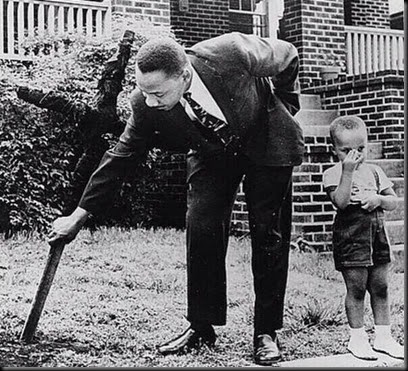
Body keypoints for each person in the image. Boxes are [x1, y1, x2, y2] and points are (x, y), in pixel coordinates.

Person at [48, 32, 304, 365]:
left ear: (183, 76)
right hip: (213, 150)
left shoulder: (229, 53)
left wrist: (284, 104)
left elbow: (287, 54)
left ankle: (265, 332)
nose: (151, 102)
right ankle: (201, 326)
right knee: (201, 228)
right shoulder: (145, 104)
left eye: (158, 93)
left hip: (266, 139)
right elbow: (121, 157)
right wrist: (78, 216)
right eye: (145, 92)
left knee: (268, 234)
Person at [323, 116, 404, 361]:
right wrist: (347, 171)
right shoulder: (333, 173)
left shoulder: (376, 171)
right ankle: (357, 339)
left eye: (360, 149)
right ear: (334, 150)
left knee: (381, 286)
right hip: (351, 236)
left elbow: (393, 202)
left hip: (377, 233)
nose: (354, 155)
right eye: (346, 150)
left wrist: (379, 199)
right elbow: (341, 202)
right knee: (356, 288)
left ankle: (384, 337)